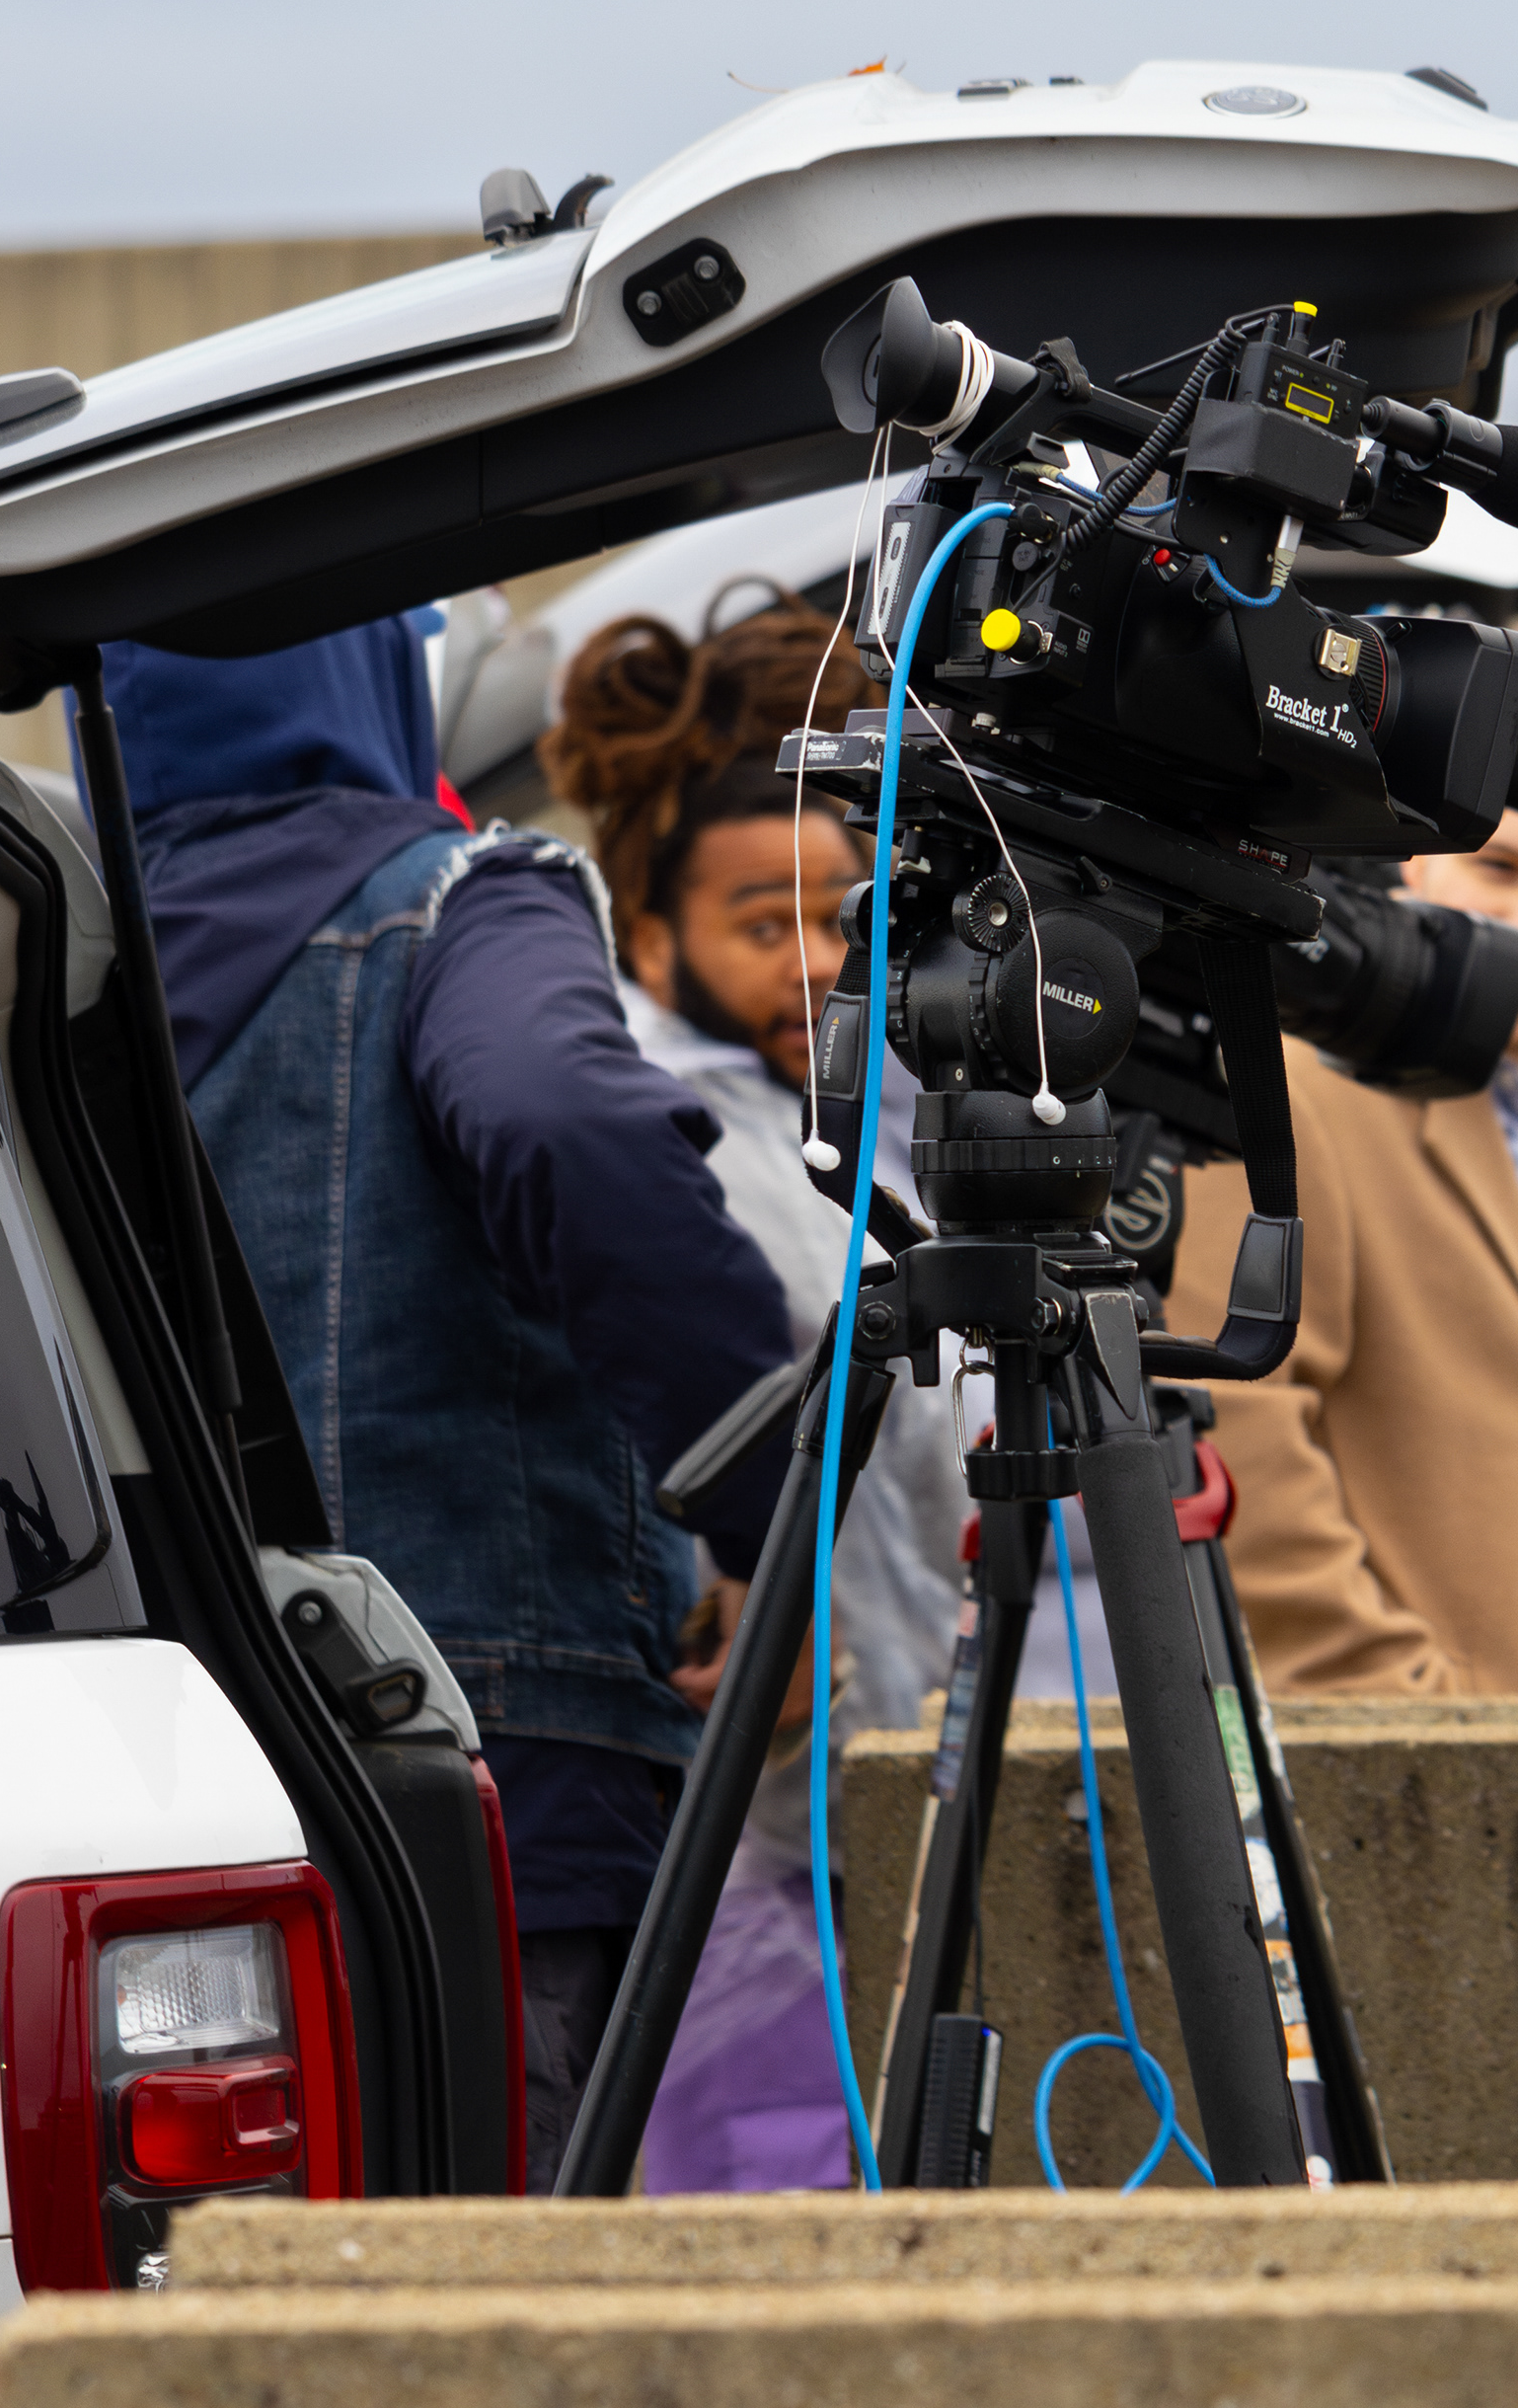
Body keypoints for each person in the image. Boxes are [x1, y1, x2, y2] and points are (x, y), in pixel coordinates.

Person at [91, 614, 796, 2187]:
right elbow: (562, 1120)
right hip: (486, 1773)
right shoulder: (462, 902)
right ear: (372, 670)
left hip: (141, 1814)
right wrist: (764, 1506)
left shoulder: (28, 952)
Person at [543, 600, 971, 2191]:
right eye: (756, 919)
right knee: (762, 2190)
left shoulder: (891, 1110)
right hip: (743, 1813)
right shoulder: (648, 1130)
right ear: (643, 926)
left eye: (843, 915)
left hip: (899, 1762)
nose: (811, 958)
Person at [1161, 660, 1518, 1696]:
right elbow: (1230, 1429)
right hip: (1370, 1770)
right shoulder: (1292, 1078)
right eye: (1502, 868)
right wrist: (1413, 1709)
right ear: (1419, 852)